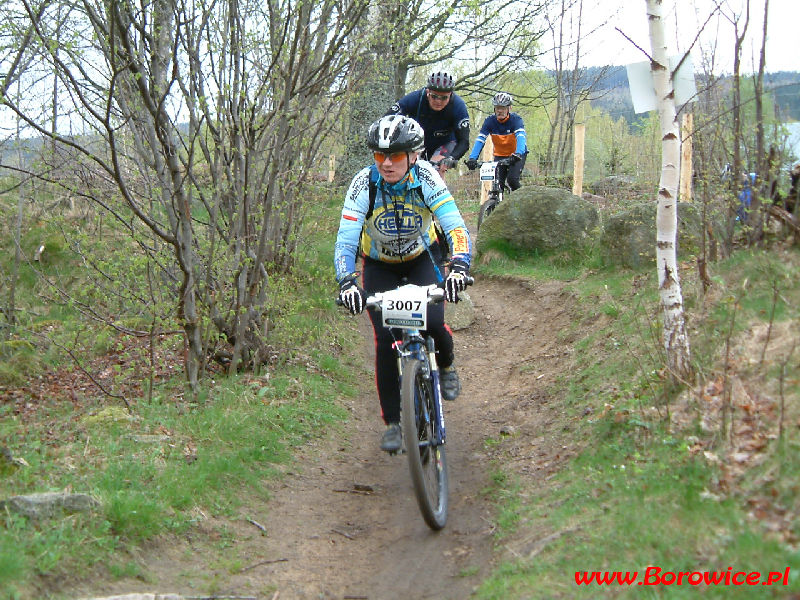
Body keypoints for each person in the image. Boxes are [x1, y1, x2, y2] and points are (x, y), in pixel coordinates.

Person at [334, 115, 473, 453]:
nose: (386, 163)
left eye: (394, 155)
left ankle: (447, 365)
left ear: (413, 155)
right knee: (385, 341)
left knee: (436, 322)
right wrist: (347, 281)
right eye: (379, 155)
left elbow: (454, 224)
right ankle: (395, 423)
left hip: (421, 258)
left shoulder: (426, 177)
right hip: (380, 266)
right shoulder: (363, 183)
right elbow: (347, 239)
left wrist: (458, 265)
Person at [386, 71, 470, 176]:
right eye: (434, 96)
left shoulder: (458, 106)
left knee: (435, 171)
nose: (438, 101)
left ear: (451, 95)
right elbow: (388, 118)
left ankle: (438, 190)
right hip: (417, 141)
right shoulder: (416, 98)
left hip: (444, 143)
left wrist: (452, 158)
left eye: (444, 98)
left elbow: (464, 141)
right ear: (427, 92)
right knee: (405, 169)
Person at [465, 92, 528, 191]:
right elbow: (480, 140)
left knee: (512, 181)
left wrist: (518, 153)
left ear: (509, 108)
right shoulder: (489, 121)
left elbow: (521, 137)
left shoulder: (516, 120)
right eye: (497, 107)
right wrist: (472, 158)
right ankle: (496, 203)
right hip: (500, 155)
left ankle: (522, 201)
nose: (500, 111)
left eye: (503, 108)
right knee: (497, 184)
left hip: (516, 155)